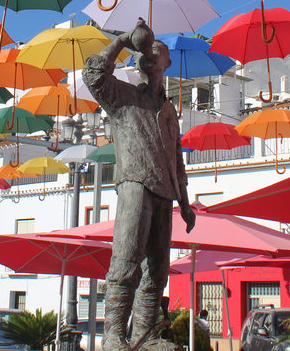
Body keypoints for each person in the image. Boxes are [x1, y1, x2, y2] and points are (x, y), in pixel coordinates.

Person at [83, 18, 196, 351]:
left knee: (157, 271)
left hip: (166, 192)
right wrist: (120, 41)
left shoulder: (170, 111)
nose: (148, 52)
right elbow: (93, 75)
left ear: (167, 63)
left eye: (155, 50)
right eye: (144, 51)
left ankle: (144, 336)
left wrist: (185, 203)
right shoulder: (123, 96)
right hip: (134, 183)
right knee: (127, 258)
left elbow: (177, 159)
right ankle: (113, 334)